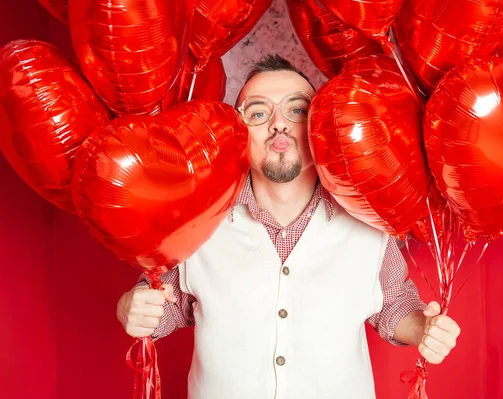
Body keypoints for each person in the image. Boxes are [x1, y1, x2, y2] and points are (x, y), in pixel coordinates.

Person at [116, 55, 461, 399]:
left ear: (317, 126)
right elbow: (164, 304)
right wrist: (131, 308)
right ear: (239, 135)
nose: (278, 124)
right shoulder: (199, 221)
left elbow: (393, 303)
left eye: (296, 110)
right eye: (258, 113)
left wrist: (424, 329)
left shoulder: (368, 222)